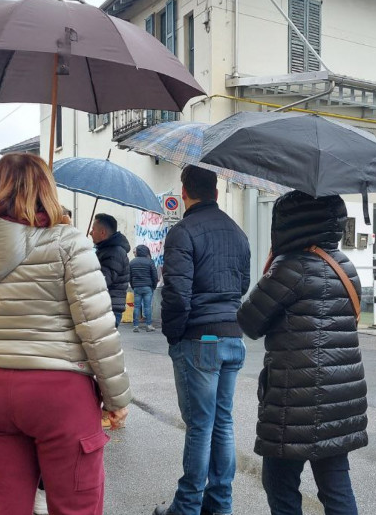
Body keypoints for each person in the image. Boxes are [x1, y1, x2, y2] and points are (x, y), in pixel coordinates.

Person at [0, 153, 131, 515]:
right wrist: (115, 398)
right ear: (46, 190)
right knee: (75, 505)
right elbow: (96, 329)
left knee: (5, 505)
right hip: (59, 391)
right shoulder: (68, 242)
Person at [236, 191, 368, 515]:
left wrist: (270, 264)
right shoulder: (344, 265)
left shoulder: (290, 267)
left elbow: (250, 321)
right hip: (340, 398)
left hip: (293, 403)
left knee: (280, 486)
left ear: (288, 221)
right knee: (336, 488)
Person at [155, 166, 250, 515]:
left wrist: (174, 336)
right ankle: (220, 503)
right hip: (232, 336)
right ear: (217, 191)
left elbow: (177, 294)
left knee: (200, 425)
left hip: (199, 339)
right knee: (222, 422)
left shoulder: (182, 232)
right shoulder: (238, 233)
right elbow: (242, 285)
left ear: (184, 192)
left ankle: (188, 506)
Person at [90, 213, 130, 327]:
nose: (90, 232)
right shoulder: (105, 249)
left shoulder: (114, 252)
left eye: (93, 229)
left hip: (108, 309)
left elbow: (102, 281)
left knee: (102, 344)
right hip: (105, 307)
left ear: (102, 232)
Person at [129, 244, 158, 333]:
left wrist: (133, 286)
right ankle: (149, 325)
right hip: (148, 287)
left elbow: (130, 276)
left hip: (137, 287)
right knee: (147, 307)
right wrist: (153, 286)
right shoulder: (150, 262)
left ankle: (135, 326)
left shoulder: (132, 262)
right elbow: (154, 276)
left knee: (136, 307)